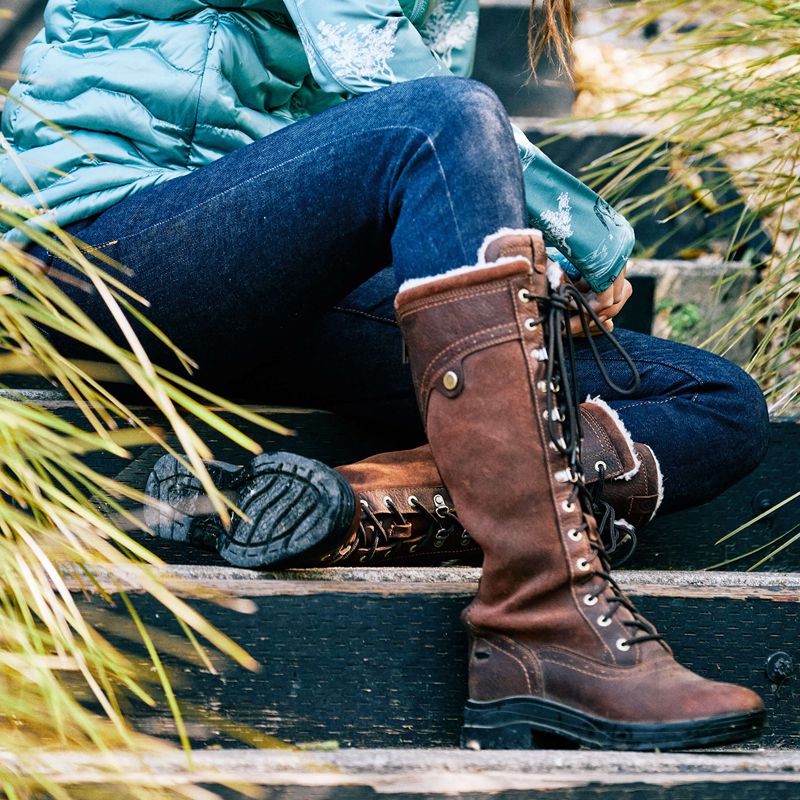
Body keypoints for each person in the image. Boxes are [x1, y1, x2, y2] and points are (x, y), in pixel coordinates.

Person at [1, 0, 769, 750]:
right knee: (444, 119)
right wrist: (589, 235)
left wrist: (515, 279)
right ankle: (543, 615)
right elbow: (383, 77)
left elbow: (438, 189)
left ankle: (338, 507)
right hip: (95, 257)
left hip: (284, 283)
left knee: (714, 401)